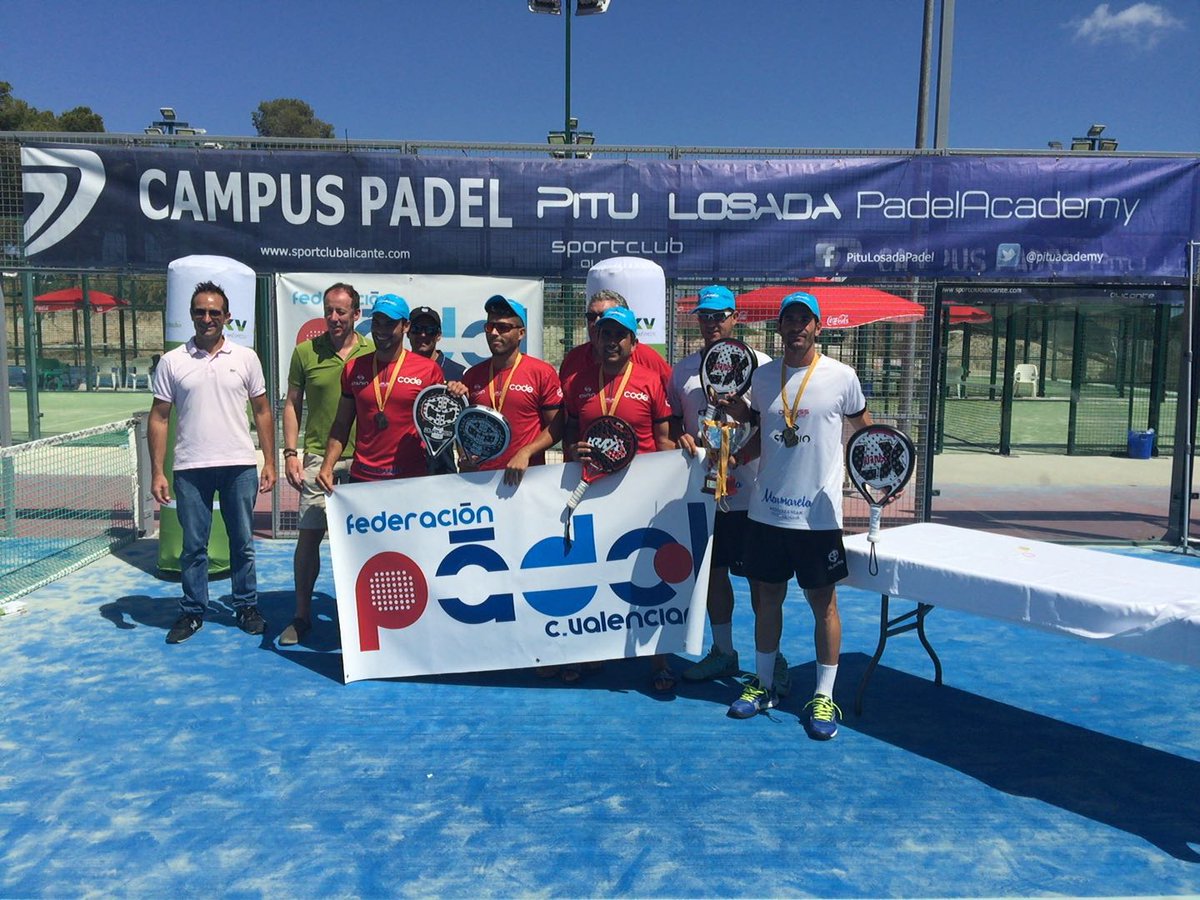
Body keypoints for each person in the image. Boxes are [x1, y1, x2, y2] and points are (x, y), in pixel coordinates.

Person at [724, 291, 871, 740]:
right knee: (766, 600)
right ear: (780, 328)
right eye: (788, 321)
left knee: (823, 605)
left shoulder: (842, 377)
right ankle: (764, 685)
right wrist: (728, 448)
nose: (795, 328)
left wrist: (878, 477)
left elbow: (864, 438)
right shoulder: (763, 378)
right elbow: (759, 434)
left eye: (803, 321)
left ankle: (825, 696)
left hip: (817, 517)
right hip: (767, 511)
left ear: (818, 327)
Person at [149, 281, 276, 645]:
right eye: (200, 312)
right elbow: (158, 417)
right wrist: (158, 470)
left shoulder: (246, 358)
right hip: (190, 469)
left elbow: (263, 411)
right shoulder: (173, 361)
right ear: (191, 315)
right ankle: (192, 611)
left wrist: (269, 461)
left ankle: (246, 606)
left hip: (239, 465)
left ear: (227, 317)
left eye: (214, 312)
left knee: (242, 542)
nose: (207, 318)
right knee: (193, 546)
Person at [562, 305, 676, 692]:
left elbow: (662, 441)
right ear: (596, 338)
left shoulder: (649, 381)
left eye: (619, 336)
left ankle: (658, 659)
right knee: (590, 573)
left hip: (639, 497)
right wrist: (575, 457)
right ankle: (589, 652)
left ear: (633, 342)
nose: (611, 341)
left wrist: (677, 473)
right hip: (595, 493)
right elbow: (572, 435)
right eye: (605, 334)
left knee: (647, 575)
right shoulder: (579, 381)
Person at [670, 285, 775, 686]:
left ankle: (771, 659)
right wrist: (681, 435)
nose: (711, 323)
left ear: (735, 318)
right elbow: (676, 422)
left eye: (719, 315)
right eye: (705, 315)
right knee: (713, 575)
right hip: (705, 493)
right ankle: (724, 652)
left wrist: (742, 427)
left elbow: (773, 426)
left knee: (760, 581)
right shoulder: (682, 370)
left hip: (752, 494)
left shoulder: (762, 366)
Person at [279, 282, 374, 646]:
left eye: (341, 311)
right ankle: (302, 615)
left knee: (367, 543)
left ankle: (363, 617)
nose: (334, 318)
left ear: (356, 314)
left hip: (367, 460)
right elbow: (291, 403)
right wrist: (291, 453)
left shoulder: (371, 351)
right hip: (319, 460)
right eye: (329, 310)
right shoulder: (305, 352)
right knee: (309, 537)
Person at [316, 294, 444, 491]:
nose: (381, 330)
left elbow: (441, 427)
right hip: (363, 479)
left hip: (410, 480)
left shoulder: (428, 370)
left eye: (389, 324)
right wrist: (327, 466)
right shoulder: (353, 368)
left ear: (406, 326)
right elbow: (341, 424)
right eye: (377, 322)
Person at [455, 295, 563, 486]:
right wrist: (464, 455)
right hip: (481, 481)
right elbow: (463, 427)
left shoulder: (541, 372)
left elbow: (557, 426)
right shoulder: (472, 375)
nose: (495, 333)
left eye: (504, 328)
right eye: (490, 327)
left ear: (521, 333)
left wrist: (526, 452)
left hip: (526, 481)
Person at [558, 289, 671, 394]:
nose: (596, 322)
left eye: (604, 316)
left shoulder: (647, 358)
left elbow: (671, 395)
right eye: (591, 316)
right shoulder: (573, 358)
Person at [407, 305, 465, 474]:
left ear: (438, 335)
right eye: (417, 329)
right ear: (408, 332)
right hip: (404, 464)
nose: (423, 335)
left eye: (429, 330)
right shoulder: (399, 368)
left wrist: (464, 458)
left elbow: (462, 424)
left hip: (442, 466)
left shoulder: (458, 372)